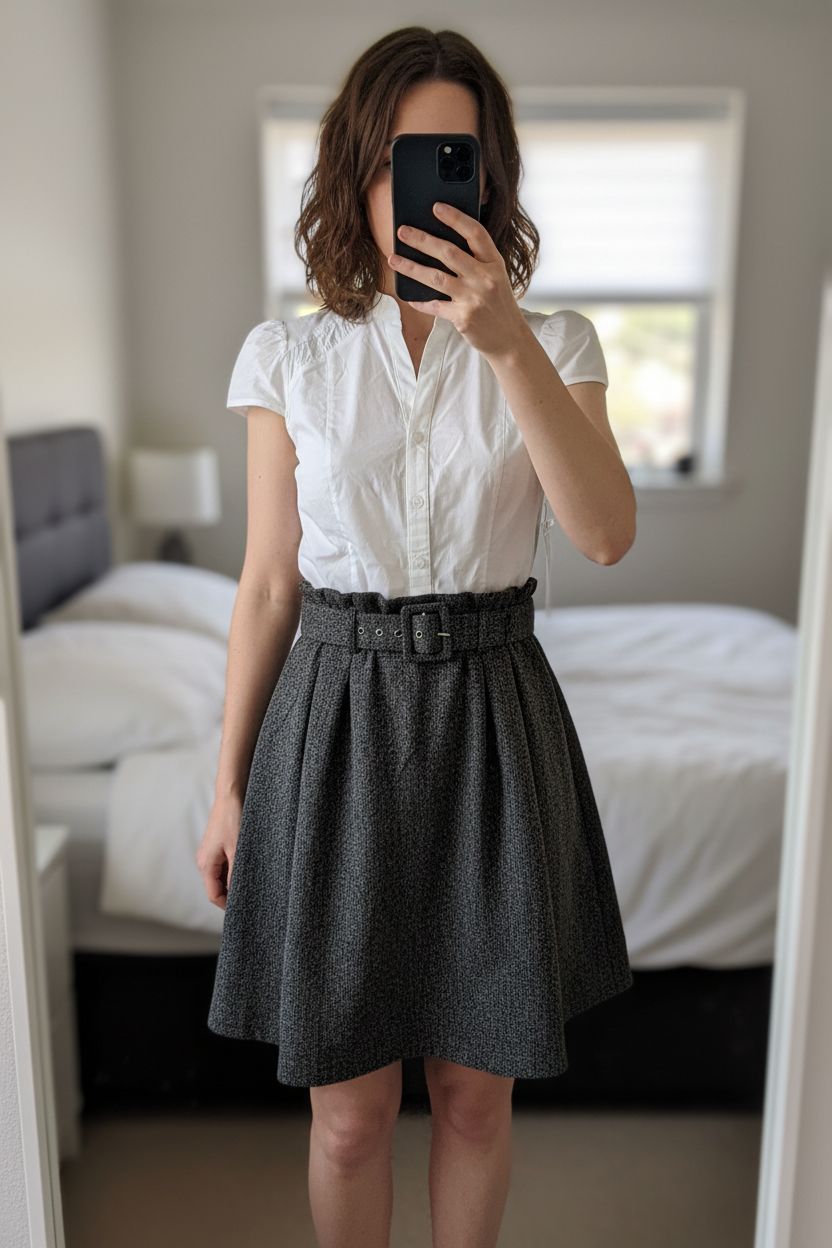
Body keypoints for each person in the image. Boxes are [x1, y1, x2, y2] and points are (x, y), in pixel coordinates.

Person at [196, 25, 636, 1248]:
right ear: (355, 169)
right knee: (344, 1115)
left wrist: (500, 342)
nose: (423, 188)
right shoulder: (287, 355)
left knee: (474, 1100)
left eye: (453, 158)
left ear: (487, 178)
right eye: (398, 160)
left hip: (495, 709)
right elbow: (268, 587)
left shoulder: (557, 347)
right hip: (332, 716)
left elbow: (601, 534)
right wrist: (227, 787)